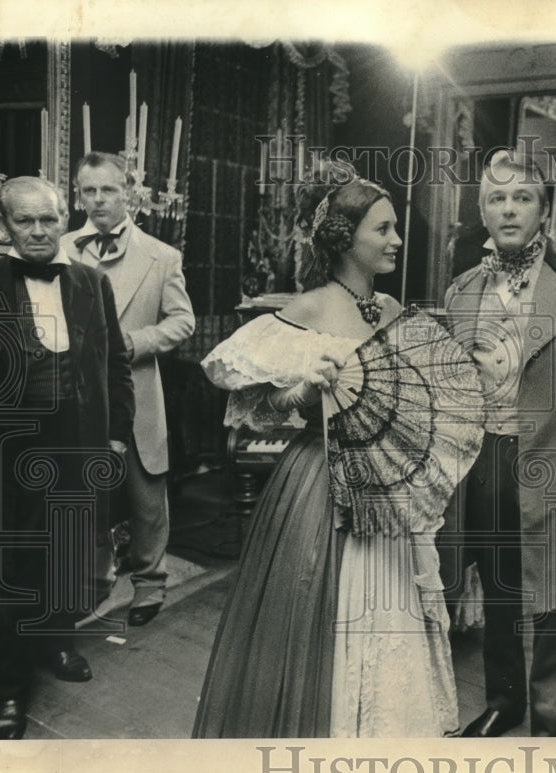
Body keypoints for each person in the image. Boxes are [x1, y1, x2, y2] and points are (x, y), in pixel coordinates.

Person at [193, 176, 461, 738]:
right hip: (322, 484)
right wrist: (303, 392)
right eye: (382, 229)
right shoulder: (306, 309)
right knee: (319, 619)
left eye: (395, 229)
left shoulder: (391, 307)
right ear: (345, 239)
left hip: (390, 495)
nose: (395, 241)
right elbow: (254, 403)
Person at [444, 148, 556, 737]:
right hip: (488, 457)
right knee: (497, 583)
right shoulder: (462, 290)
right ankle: (505, 700)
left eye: (522, 197)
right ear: (483, 212)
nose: (509, 209)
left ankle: (550, 721)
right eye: (497, 199)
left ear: (544, 209)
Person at [0, 176, 134, 739]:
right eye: (26, 222)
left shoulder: (92, 282)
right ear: (6, 227)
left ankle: (59, 645)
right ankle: (7, 690)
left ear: (62, 218)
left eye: (48, 219)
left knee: (70, 553)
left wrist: (116, 436)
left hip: (79, 440)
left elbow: (115, 363)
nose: (40, 231)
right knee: (18, 570)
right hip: (12, 447)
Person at [62, 152, 195, 627]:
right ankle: (89, 585)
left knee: (146, 497)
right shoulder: (61, 249)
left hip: (137, 392)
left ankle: (149, 586)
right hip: (77, 399)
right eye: (88, 191)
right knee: (84, 496)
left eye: (108, 190)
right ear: (78, 194)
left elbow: (183, 321)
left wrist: (133, 343)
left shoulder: (162, 256)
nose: (98, 200)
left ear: (129, 194)